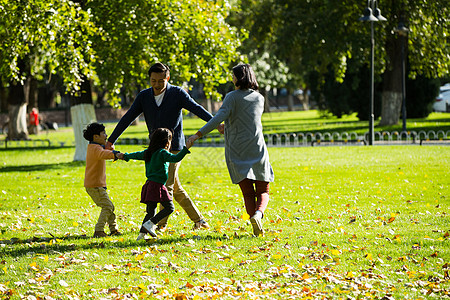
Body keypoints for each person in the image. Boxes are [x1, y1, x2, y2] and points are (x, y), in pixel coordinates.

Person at [106, 62, 222, 230]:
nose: (157, 84)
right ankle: (199, 220)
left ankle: (159, 225)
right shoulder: (144, 96)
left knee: (165, 186)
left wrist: (215, 123)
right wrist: (111, 140)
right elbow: (128, 117)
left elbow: (197, 109)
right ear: (149, 79)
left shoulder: (177, 93)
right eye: (153, 81)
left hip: (173, 146)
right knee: (174, 186)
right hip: (155, 149)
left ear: (168, 78)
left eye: (161, 80)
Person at [187, 63, 274, 236]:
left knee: (248, 193)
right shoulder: (259, 98)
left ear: (239, 77)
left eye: (233, 76)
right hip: (256, 147)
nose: (232, 79)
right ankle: (258, 215)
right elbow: (248, 120)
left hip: (237, 149)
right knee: (263, 190)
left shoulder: (232, 97)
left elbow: (219, 117)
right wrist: (228, 125)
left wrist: (197, 134)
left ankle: (254, 222)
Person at [122, 128, 191, 240]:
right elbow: (176, 158)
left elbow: (135, 155)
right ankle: (151, 224)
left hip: (149, 185)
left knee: (151, 212)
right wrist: (185, 148)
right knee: (169, 208)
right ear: (166, 141)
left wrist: (125, 156)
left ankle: (141, 235)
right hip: (157, 186)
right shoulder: (162, 153)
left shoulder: (148, 152)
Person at [83, 122, 122, 238]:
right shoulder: (95, 149)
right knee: (108, 207)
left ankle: (113, 229)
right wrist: (115, 154)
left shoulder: (95, 147)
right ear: (96, 137)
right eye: (103, 133)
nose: (106, 135)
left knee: (109, 206)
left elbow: (104, 151)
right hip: (95, 186)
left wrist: (110, 150)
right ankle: (99, 230)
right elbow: (102, 154)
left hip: (97, 185)